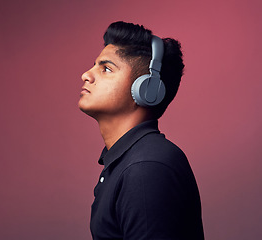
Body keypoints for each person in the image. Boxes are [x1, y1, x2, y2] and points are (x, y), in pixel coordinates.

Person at [78, 21, 204, 240]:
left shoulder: (145, 168)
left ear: (146, 89)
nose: (86, 75)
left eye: (106, 68)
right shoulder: (130, 160)